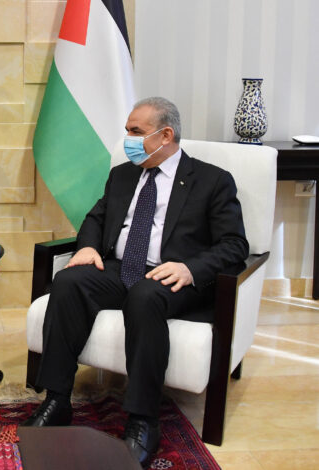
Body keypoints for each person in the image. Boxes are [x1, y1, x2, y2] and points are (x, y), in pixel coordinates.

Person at [22, 97, 248, 466]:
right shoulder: (123, 175)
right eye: (127, 130)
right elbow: (96, 217)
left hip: (170, 275)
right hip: (120, 267)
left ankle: (143, 420)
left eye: (135, 131)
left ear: (166, 135)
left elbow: (235, 245)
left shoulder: (212, 181)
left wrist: (190, 269)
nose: (127, 139)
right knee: (68, 282)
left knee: (144, 296)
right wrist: (88, 246)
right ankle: (57, 400)